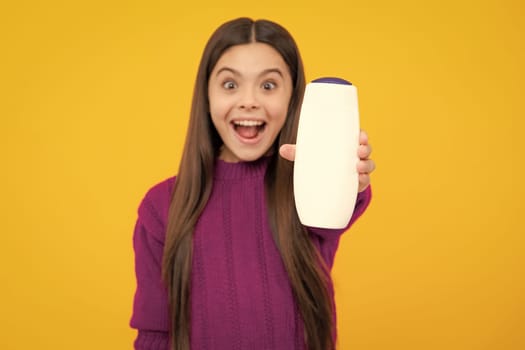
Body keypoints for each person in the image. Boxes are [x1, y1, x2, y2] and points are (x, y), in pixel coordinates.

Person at [130, 17, 375, 350]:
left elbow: (339, 208)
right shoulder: (161, 206)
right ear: (206, 95)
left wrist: (349, 183)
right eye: (230, 85)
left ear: (293, 99)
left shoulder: (308, 190)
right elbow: (154, 334)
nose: (249, 101)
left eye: (269, 85)